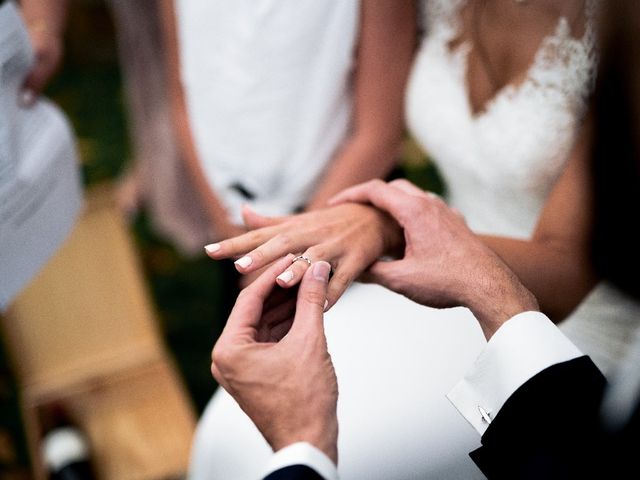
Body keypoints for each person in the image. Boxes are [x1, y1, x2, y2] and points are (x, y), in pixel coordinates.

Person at [202, 1, 638, 477]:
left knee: (335, 453)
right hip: (436, 284)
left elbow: (569, 269)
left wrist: (389, 227)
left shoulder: (620, 25)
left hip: (561, 329)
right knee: (229, 434)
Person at [172, 2, 418, 478]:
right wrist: (235, 233)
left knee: (357, 426)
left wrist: (282, 251)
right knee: (253, 412)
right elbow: (182, 95)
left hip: (344, 220)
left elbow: (379, 132)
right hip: (240, 233)